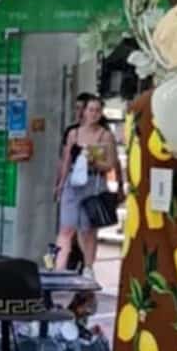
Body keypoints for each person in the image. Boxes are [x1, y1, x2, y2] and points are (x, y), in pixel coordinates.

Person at [53, 92, 118, 272]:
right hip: (73, 182)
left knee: (87, 230)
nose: (93, 114)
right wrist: (60, 184)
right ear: (84, 112)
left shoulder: (105, 135)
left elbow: (110, 164)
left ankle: (88, 268)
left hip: (93, 181)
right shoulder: (73, 133)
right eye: (91, 110)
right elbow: (66, 160)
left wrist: (94, 161)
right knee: (66, 228)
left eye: (97, 110)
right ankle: (58, 268)